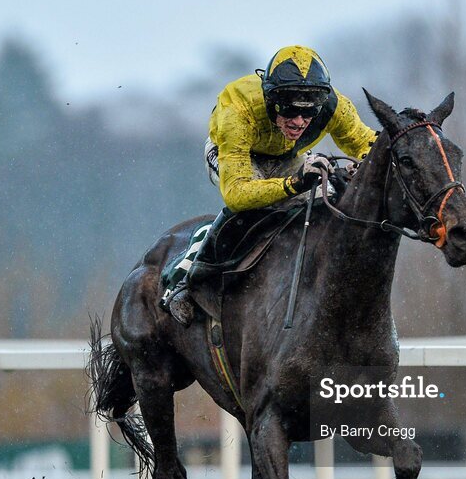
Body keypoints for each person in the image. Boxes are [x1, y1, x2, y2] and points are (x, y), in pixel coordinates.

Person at [160, 45, 378, 323]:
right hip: (234, 154)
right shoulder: (238, 110)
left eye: (309, 111)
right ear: (270, 99)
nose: (299, 121)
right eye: (288, 109)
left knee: (330, 195)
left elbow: (368, 146)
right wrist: (294, 184)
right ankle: (185, 275)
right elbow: (238, 194)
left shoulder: (336, 107)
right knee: (253, 210)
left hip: (286, 156)